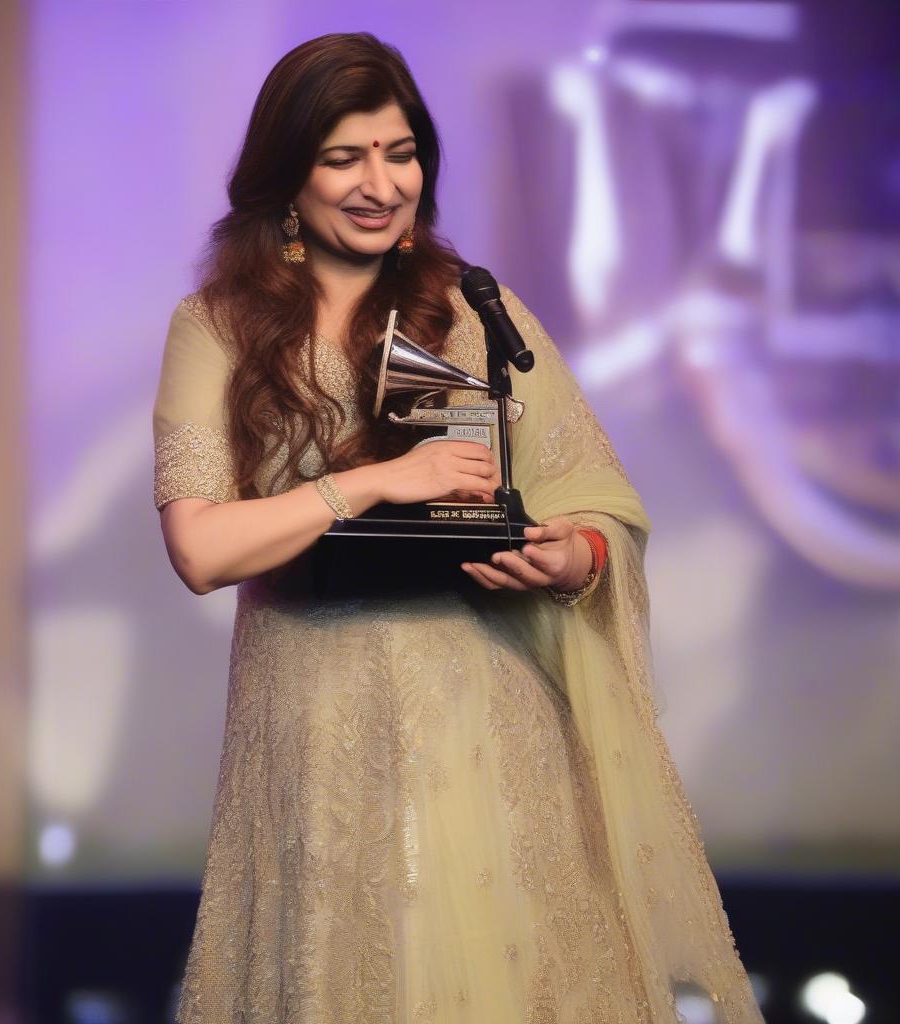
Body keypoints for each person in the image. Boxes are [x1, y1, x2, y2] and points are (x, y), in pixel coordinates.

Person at [152, 32, 764, 1024]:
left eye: (400, 153)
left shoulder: (472, 308)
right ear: (285, 178)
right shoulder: (216, 326)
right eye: (343, 157)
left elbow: (595, 495)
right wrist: (381, 479)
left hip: (485, 722)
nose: (379, 183)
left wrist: (575, 554)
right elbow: (200, 549)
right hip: (317, 719)